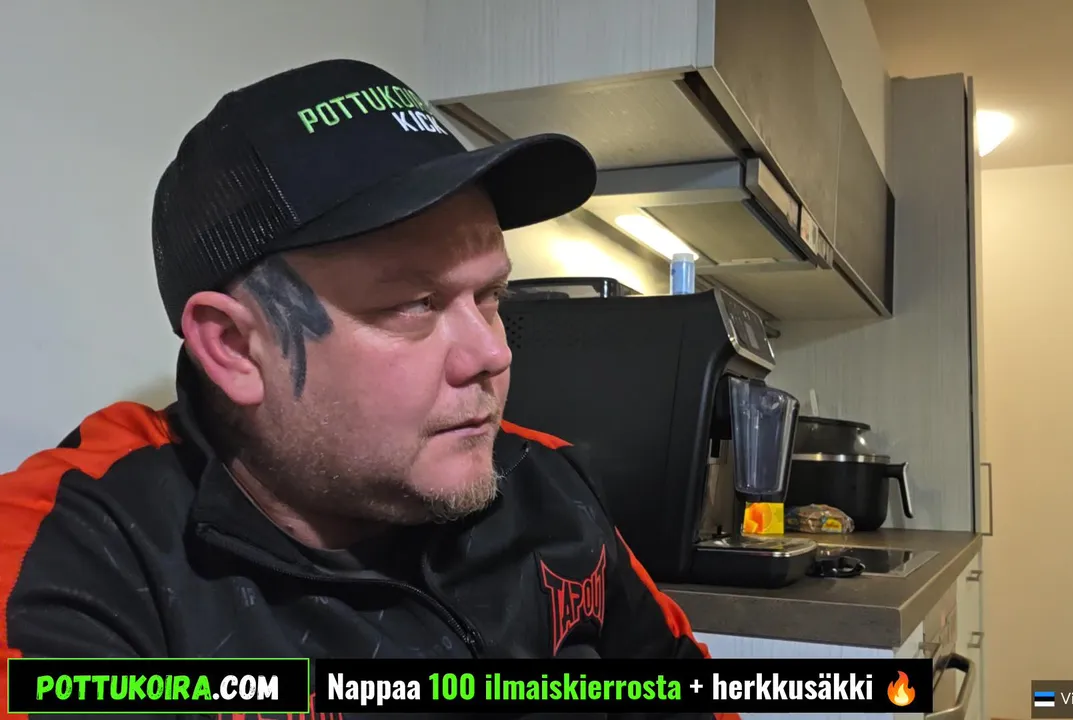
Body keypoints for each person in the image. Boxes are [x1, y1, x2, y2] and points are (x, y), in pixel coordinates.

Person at [0, 59, 733, 718]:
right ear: (235, 347)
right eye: (414, 304)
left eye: (491, 298)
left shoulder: (544, 482)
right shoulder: (77, 555)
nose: (492, 354)